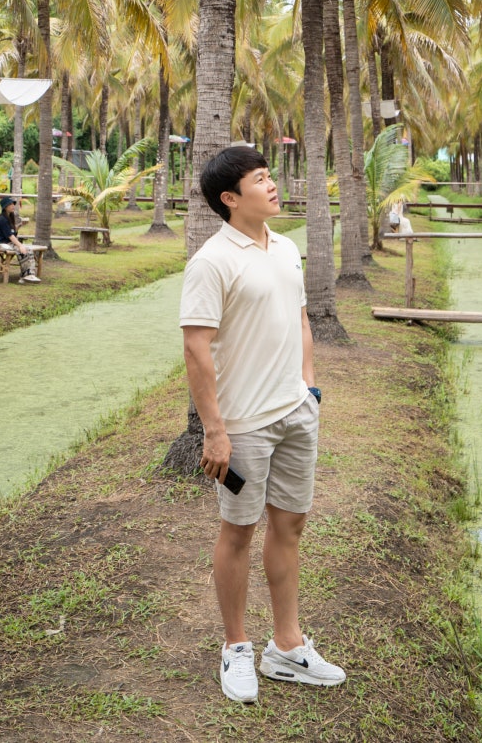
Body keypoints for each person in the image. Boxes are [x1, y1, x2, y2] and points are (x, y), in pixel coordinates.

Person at [179, 147, 345, 704]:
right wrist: (215, 430)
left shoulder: (287, 247)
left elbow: (300, 319)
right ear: (230, 198)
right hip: (244, 426)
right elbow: (196, 348)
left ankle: (287, 646)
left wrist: (308, 388)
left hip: (296, 413)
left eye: (270, 175)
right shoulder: (211, 261)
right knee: (238, 530)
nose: (272, 185)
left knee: (290, 525)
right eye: (260, 179)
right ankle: (236, 647)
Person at [0, 196, 40, 283]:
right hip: (1, 243)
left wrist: (20, 225)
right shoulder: (2, 219)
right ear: (5, 207)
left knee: (28, 250)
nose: (13, 206)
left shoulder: (10, 217)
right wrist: (20, 245)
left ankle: (29, 274)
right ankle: (25, 275)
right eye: (10, 204)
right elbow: (10, 236)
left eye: (13, 204)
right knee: (21, 250)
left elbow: (13, 233)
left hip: (8, 242)